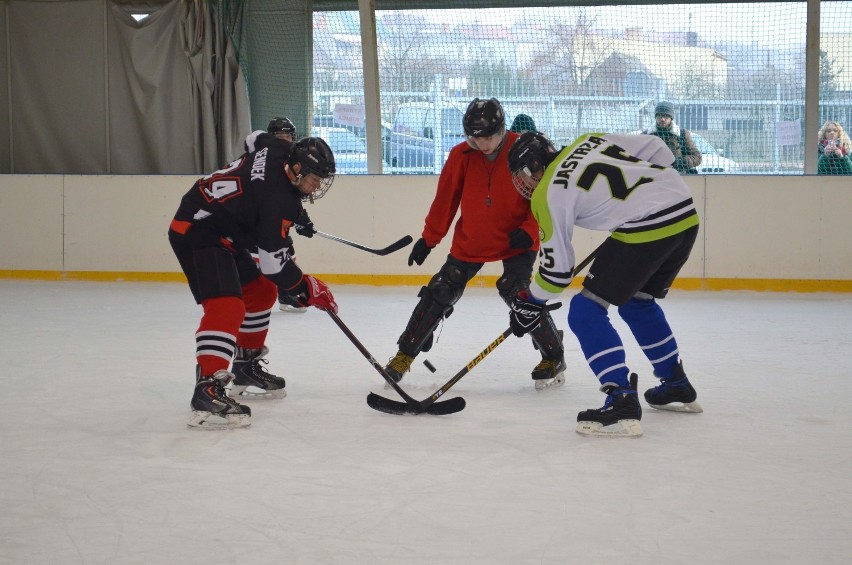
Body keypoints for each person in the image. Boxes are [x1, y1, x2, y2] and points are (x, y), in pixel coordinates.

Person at [506, 131, 703, 438]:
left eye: (523, 176)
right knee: (638, 302)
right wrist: (646, 196)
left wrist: (531, 301)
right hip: (684, 212)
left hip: (648, 226)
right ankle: (676, 384)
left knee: (585, 311)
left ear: (533, 166)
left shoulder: (548, 191)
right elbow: (659, 149)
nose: (524, 184)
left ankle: (621, 399)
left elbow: (557, 274)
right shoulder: (588, 140)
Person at [384, 97, 566, 390]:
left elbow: (548, 193)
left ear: (503, 129)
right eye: (475, 137)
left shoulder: (524, 148)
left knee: (518, 294)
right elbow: (446, 199)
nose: (482, 144)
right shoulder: (461, 155)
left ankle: (553, 355)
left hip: (516, 238)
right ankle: (403, 356)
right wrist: (429, 239)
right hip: (473, 239)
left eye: (490, 137)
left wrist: (531, 229)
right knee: (441, 289)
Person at [168, 136, 339, 429]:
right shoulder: (277, 201)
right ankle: (207, 389)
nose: (318, 187)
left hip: (224, 228)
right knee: (227, 307)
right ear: (296, 168)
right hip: (197, 230)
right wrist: (307, 288)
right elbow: (274, 265)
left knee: (260, 291)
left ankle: (245, 366)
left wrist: (292, 212)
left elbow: (253, 139)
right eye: (314, 179)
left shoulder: (278, 148)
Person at [245, 117, 315, 312]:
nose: (285, 140)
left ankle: (285, 293)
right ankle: (249, 294)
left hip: (270, 214)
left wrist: (300, 217)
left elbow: (288, 194)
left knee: (287, 250)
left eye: (288, 136)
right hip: (253, 216)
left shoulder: (290, 160)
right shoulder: (264, 158)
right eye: (280, 136)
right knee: (258, 256)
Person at [642, 101, 702, 175]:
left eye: (666, 116)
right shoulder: (646, 136)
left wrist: (678, 162)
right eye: (660, 116)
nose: (663, 119)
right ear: (656, 117)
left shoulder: (682, 134)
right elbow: (637, 157)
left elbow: (697, 157)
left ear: (671, 117)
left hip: (677, 177)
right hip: (653, 178)